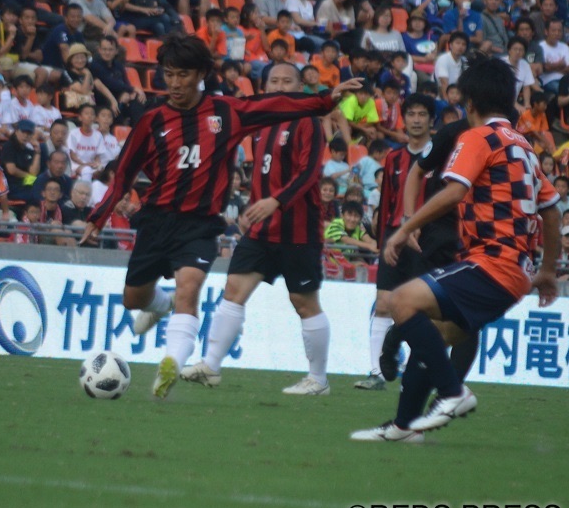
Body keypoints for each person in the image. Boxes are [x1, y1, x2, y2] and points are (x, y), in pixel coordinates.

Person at [80, 33, 362, 399]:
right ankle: (164, 308)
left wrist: (325, 99)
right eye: (169, 74)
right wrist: (98, 216)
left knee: (192, 287)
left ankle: (174, 363)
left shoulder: (227, 112)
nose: (175, 83)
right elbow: (123, 173)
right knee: (136, 298)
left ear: (200, 75)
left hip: (205, 224)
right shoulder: (152, 121)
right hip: (159, 221)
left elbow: (278, 111)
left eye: (183, 74)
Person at [351, 57, 560, 441]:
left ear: (469, 102)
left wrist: (404, 228)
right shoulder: (525, 147)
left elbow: (454, 192)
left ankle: (453, 392)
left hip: (492, 263)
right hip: (515, 271)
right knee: (435, 335)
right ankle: (405, 426)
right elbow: (551, 210)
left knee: (400, 301)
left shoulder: (476, 137)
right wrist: (547, 269)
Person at [180, 62, 333, 395]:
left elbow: (309, 174)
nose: (279, 86)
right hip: (262, 230)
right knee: (233, 289)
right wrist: (253, 208)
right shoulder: (261, 123)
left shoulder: (308, 122)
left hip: (298, 231)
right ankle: (211, 366)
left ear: (300, 88)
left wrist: (275, 201)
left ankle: (318, 379)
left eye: (287, 81)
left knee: (304, 302)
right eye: (273, 81)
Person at [354, 93, 435, 391]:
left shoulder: (441, 157)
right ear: (404, 119)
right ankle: (376, 373)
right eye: (411, 114)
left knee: (420, 310)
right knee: (384, 304)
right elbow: (387, 201)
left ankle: (412, 378)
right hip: (393, 239)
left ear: (431, 120)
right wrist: (382, 240)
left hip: (426, 240)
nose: (416, 120)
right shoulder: (393, 158)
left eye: (422, 114)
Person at [1, 119, 41, 201]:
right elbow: (12, 170)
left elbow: (33, 172)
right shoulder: (9, 146)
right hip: (10, 184)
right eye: (23, 132)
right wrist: (30, 177)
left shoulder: (28, 150)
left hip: (24, 182)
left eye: (29, 133)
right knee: (35, 194)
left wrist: (37, 152)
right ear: (16, 131)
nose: (25, 136)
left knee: (41, 187)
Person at [539, 18, 569, 95]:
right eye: (553, 30)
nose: (557, 33)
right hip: (548, 81)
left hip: (565, 79)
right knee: (566, 92)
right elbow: (543, 69)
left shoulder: (565, 47)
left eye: (559, 31)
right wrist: (559, 65)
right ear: (546, 32)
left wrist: (551, 66)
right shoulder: (539, 47)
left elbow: (568, 69)